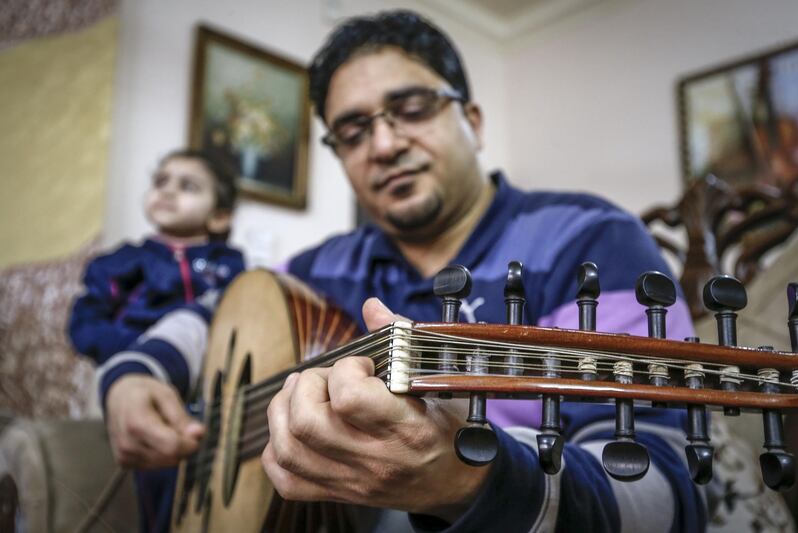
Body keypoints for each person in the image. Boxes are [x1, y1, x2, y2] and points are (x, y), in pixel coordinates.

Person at [98, 11, 706, 533]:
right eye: (353, 130)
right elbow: (209, 314)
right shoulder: (324, 266)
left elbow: (669, 495)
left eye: (411, 108)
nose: (384, 144)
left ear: (473, 120)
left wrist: (473, 482)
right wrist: (135, 374)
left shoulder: (591, 241)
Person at [68, 148, 245, 531]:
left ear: (220, 216)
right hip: (139, 380)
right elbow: (85, 322)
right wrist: (133, 356)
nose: (167, 191)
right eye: (161, 181)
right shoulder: (122, 262)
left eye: (188, 186)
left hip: (209, 391)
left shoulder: (231, 267)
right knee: (159, 473)